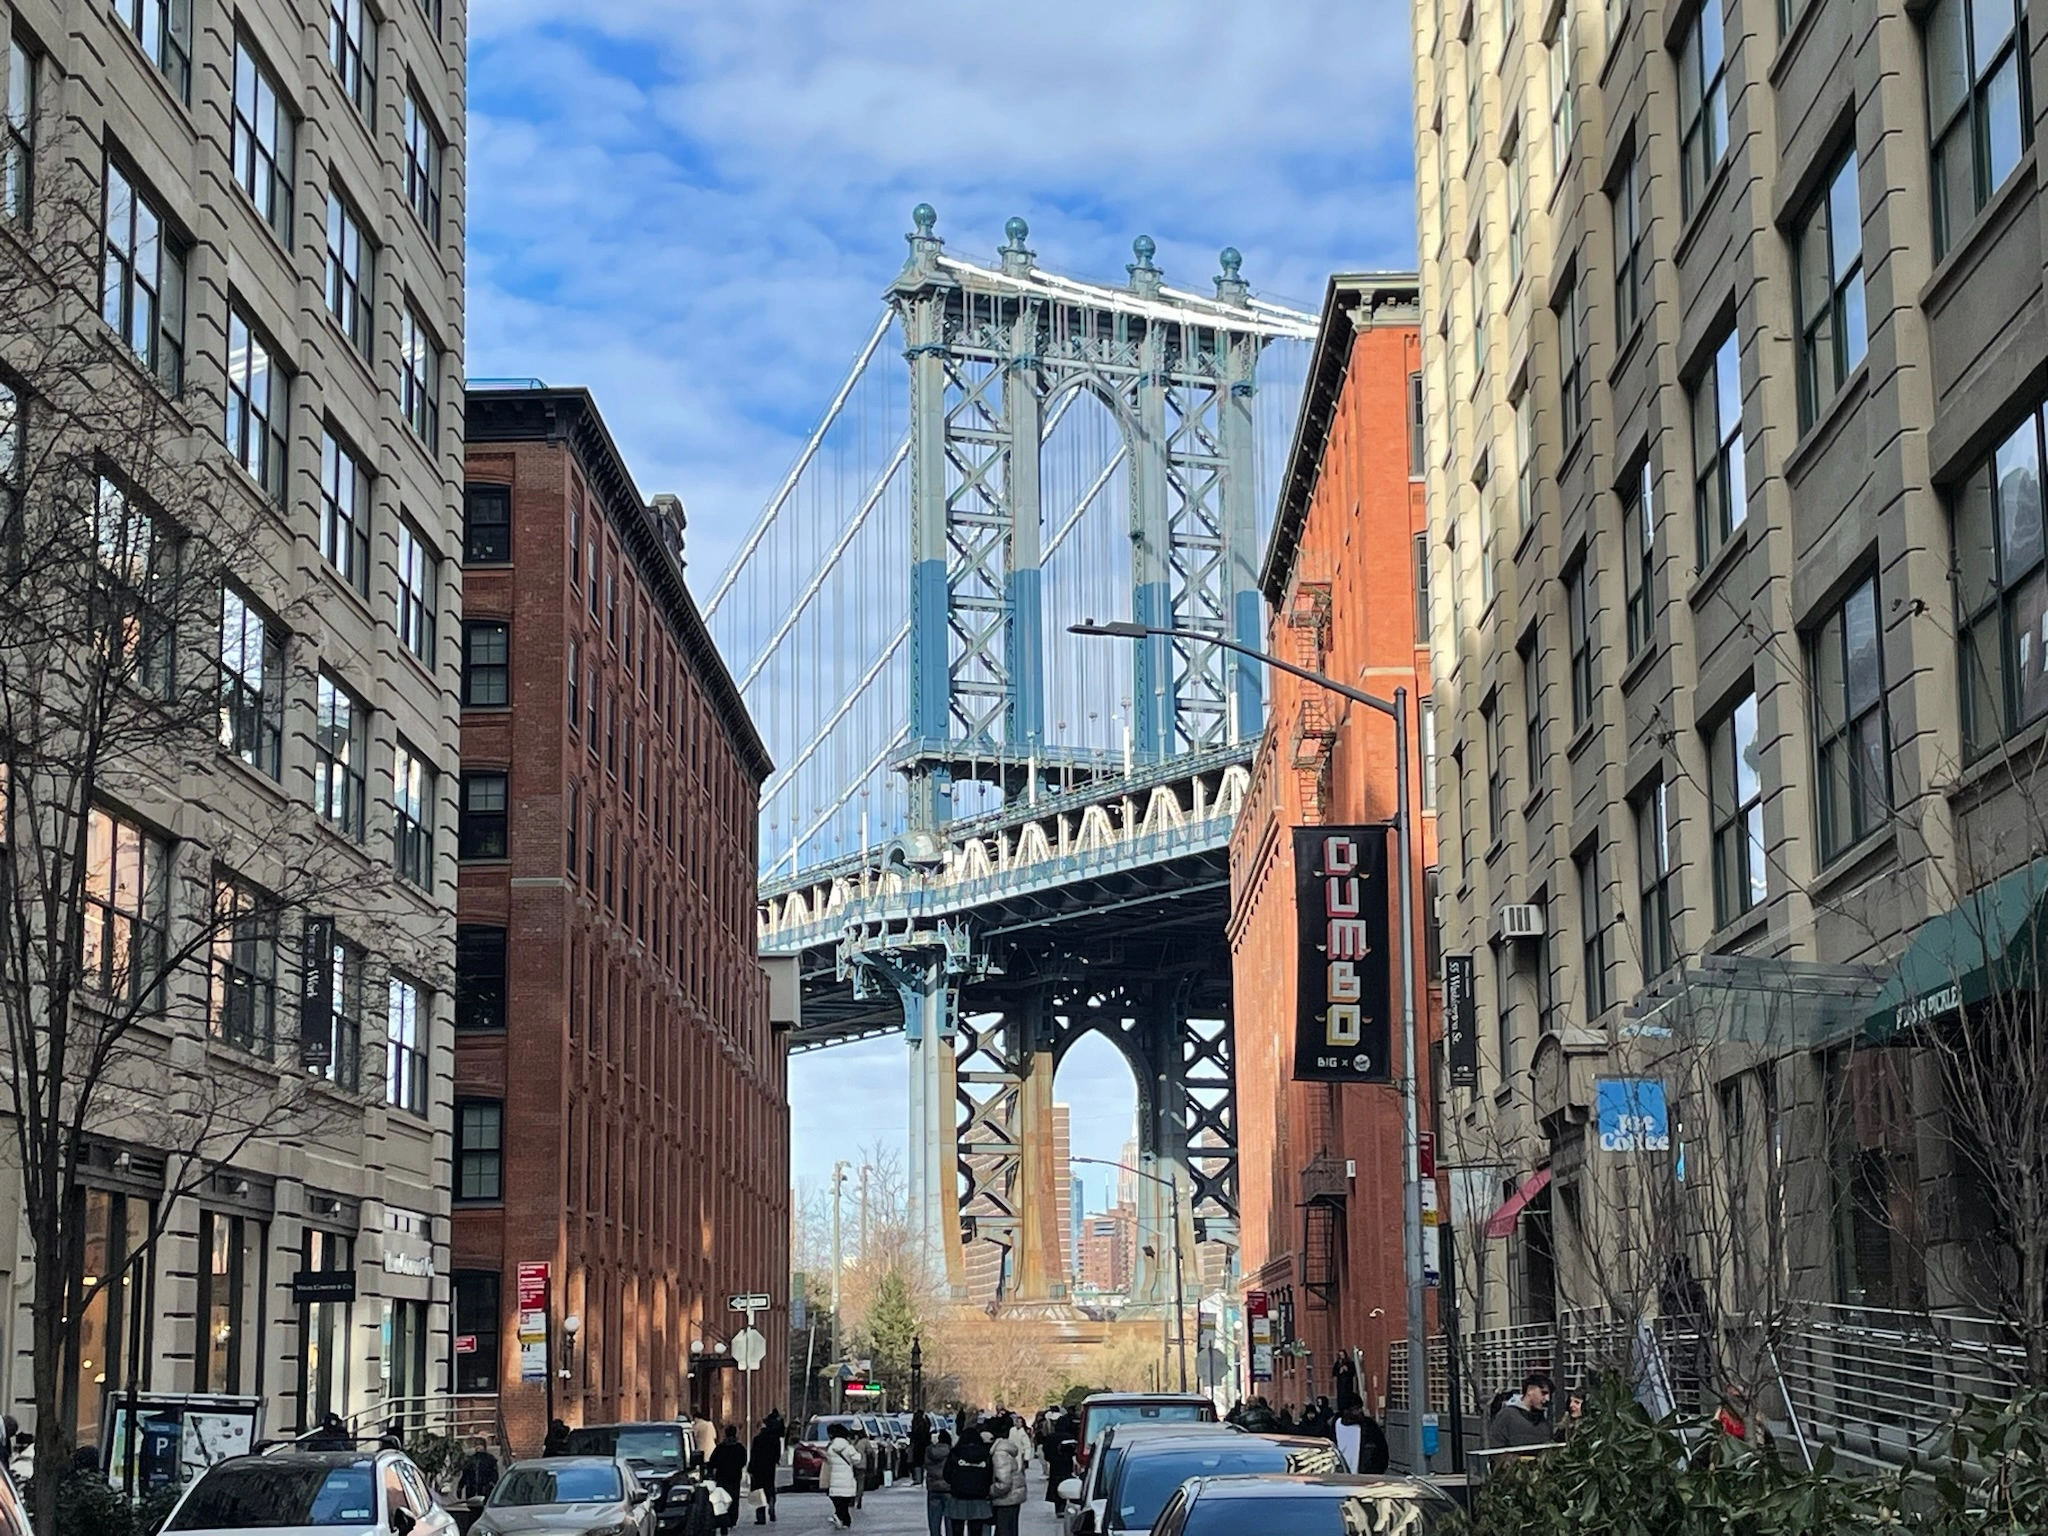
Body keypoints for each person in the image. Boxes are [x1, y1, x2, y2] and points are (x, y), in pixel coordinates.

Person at [941, 1421, 995, 1536]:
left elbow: (946, 1475)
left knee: (957, 1530)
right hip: (979, 1498)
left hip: (958, 1497)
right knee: (976, 1530)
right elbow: (991, 1475)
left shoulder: (955, 1453)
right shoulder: (985, 1455)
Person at [1486, 1373, 1556, 1451]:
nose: (1547, 1399)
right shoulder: (1506, 1416)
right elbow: (1496, 1449)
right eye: (1543, 1393)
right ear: (1530, 1390)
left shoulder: (1544, 1420)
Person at [988, 1415, 1027, 1536]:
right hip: (1014, 1496)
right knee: (1010, 1530)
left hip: (1006, 1499)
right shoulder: (1007, 1450)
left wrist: (989, 1491)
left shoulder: (1000, 1454)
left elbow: (1004, 1483)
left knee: (1004, 1531)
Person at [708, 1426, 748, 1532]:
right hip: (735, 1477)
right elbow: (743, 1461)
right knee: (734, 1499)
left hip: (722, 1477)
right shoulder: (739, 1448)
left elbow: (712, 1462)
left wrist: (711, 1472)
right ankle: (732, 1519)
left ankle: (723, 1520)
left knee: (723, 1499)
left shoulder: (720, 1448)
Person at [824, 1424, 863, 1529]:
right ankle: (842, 1519)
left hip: (834, 1479)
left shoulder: (831, 1447)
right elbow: (857, 1459)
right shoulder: (848, 1447)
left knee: (837, 1500)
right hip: (847, 1478)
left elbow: (828, 1460)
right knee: (845, 1501)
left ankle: (841, 1518)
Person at [749, 1415, 783, 1525]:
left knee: (758, 1491)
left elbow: (753, 1454)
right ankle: (771, 1502)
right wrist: (775, 1460)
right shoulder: (775, 1439)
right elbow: (777, 1454)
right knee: (769, 1486)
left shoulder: (758, 1438)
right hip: (770, 1466)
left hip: (758, 1467)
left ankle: (761, 1517)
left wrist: (751, 1467)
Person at [1042, 1409, 1076, 1517]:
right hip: (1067, 1465)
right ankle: (1066, 1505)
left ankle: (1058, 1508)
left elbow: (1045, 1451)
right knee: (1067, 1485)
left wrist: (1050, 1459)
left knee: (1055, 1485)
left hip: (1055, 1466)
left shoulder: (1050, 1438)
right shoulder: (1070, 1437)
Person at [457, 1436, 500, 1501]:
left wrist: (491, 1486)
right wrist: (460, 1487)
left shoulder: (490, 1460)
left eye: (480, 1445)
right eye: (477, 1445)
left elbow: (495, 1476)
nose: (478, 1448)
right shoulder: (470, 1460)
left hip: (485, 1491)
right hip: (472, 1491)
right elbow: (465, 1475)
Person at [908, 1410, 932, 1486]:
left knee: (917, 1462)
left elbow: (914, 1434)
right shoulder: (924, 1423)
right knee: (921, 1462)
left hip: (917, 1445)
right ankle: (920, 1478)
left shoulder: (916, 1423)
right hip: (923, 1445)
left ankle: (918, 1478)